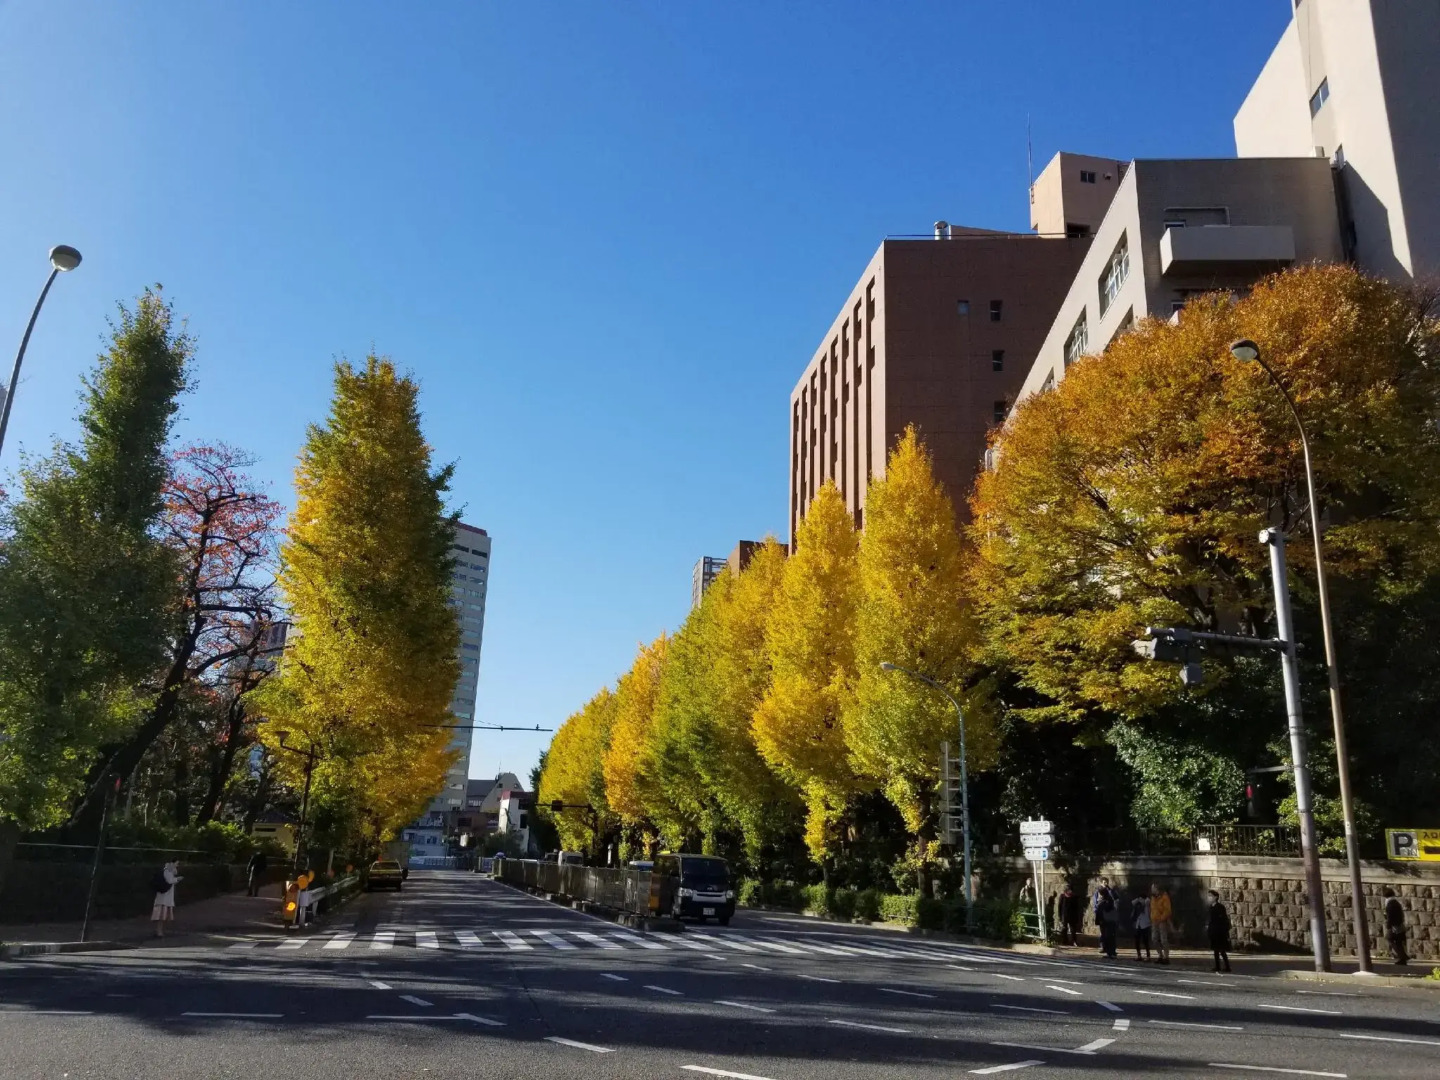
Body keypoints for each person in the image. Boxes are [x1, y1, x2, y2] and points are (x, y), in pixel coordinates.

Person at [151, 861, 182, 938]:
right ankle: (159, 932)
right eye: (176, 863)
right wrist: (177, 879)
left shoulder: (169, 871)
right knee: (161, 916)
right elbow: (170, 881)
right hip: (163, 898)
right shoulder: (167, 871)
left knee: (163, 917)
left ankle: (160, 931)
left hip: (166, 898)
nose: (177, 865)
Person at [1207, 889, 1232, 972]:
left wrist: (1223, 930)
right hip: (1213, 931)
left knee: (1222, 950)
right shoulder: (1211, 907)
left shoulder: (1220, 907)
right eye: (1208, 896)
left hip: (1220, 932)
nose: (1209, 898)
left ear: (1216, 897)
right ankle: (1217, 966)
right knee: (1216, 950)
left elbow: (1223, 919)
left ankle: (1227, 967)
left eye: (1211, 896)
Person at [1093, 878, 1118, 959]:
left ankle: (1111, 952)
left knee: (1109, 936)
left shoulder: (1107, 900)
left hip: (1108, 921)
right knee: (1106, 936)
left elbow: (1106, 909)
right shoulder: (1103, 899)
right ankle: (1108, 951)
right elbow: (1097, 906)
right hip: (1106, 921)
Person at [1383, 887, 1408, 965]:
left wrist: (1388, 925)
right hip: (1399, 924)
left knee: (1389, 938)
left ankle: (1402, 956)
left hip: (1395, 926)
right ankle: (1403, 957)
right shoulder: (1395, 902)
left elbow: (1390, 916)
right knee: (1398, 942)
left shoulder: (1390, 903)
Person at [1150, 883, 1173, 965]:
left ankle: (1166, 957)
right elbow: (1152, 909)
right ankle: (1160, 955)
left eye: (1153, 888)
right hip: (1154, 921)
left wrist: (1161, 918)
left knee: (1163, 940)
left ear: (1157, 889)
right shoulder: (1153, 898)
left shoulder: (1164, 897)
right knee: (1154, 939)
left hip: (1162, 921)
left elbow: (1167, 910)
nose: (1151, 890)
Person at [1131, 889, 1152, 961]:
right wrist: (1138, 899)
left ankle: (1148, 956)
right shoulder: (1138, 904)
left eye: (1141, 899)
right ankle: (1139, 955)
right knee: (1137, 940)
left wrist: (1144, 900)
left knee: (1145, 941)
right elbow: (1133, 902)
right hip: (1138, 924)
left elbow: (1147, 901)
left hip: (1145, 924)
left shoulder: (1147, 903)